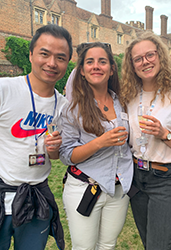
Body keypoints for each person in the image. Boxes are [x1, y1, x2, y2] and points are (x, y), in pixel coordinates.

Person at [120, 32, 171, 250]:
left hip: (165, 179)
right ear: (132, 65)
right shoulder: (128, 95)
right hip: (136, 177)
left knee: (158, 246)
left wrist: (165, 134)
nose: (145, 61)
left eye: (150, 55)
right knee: (148, 244)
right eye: (138, 59)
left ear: (160, 56)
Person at [0, 24, 72, 250]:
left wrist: (53, 151)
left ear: (67, 63)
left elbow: (57, 155)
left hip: (37, 198)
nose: (52, 63)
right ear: (31, 55)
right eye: (44, 53)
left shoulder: (64, 106)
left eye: (60, 57)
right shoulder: (5, 89)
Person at [59, 42, 134, 250]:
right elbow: (66, 155)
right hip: (85, 188)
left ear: (111, 69)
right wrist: (101, 142)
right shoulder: (72, 108)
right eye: (90, 62)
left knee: (108, 245)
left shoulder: (124, 102)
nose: (96, 66)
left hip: (118, 190)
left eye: (102, 61)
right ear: (81, 71)